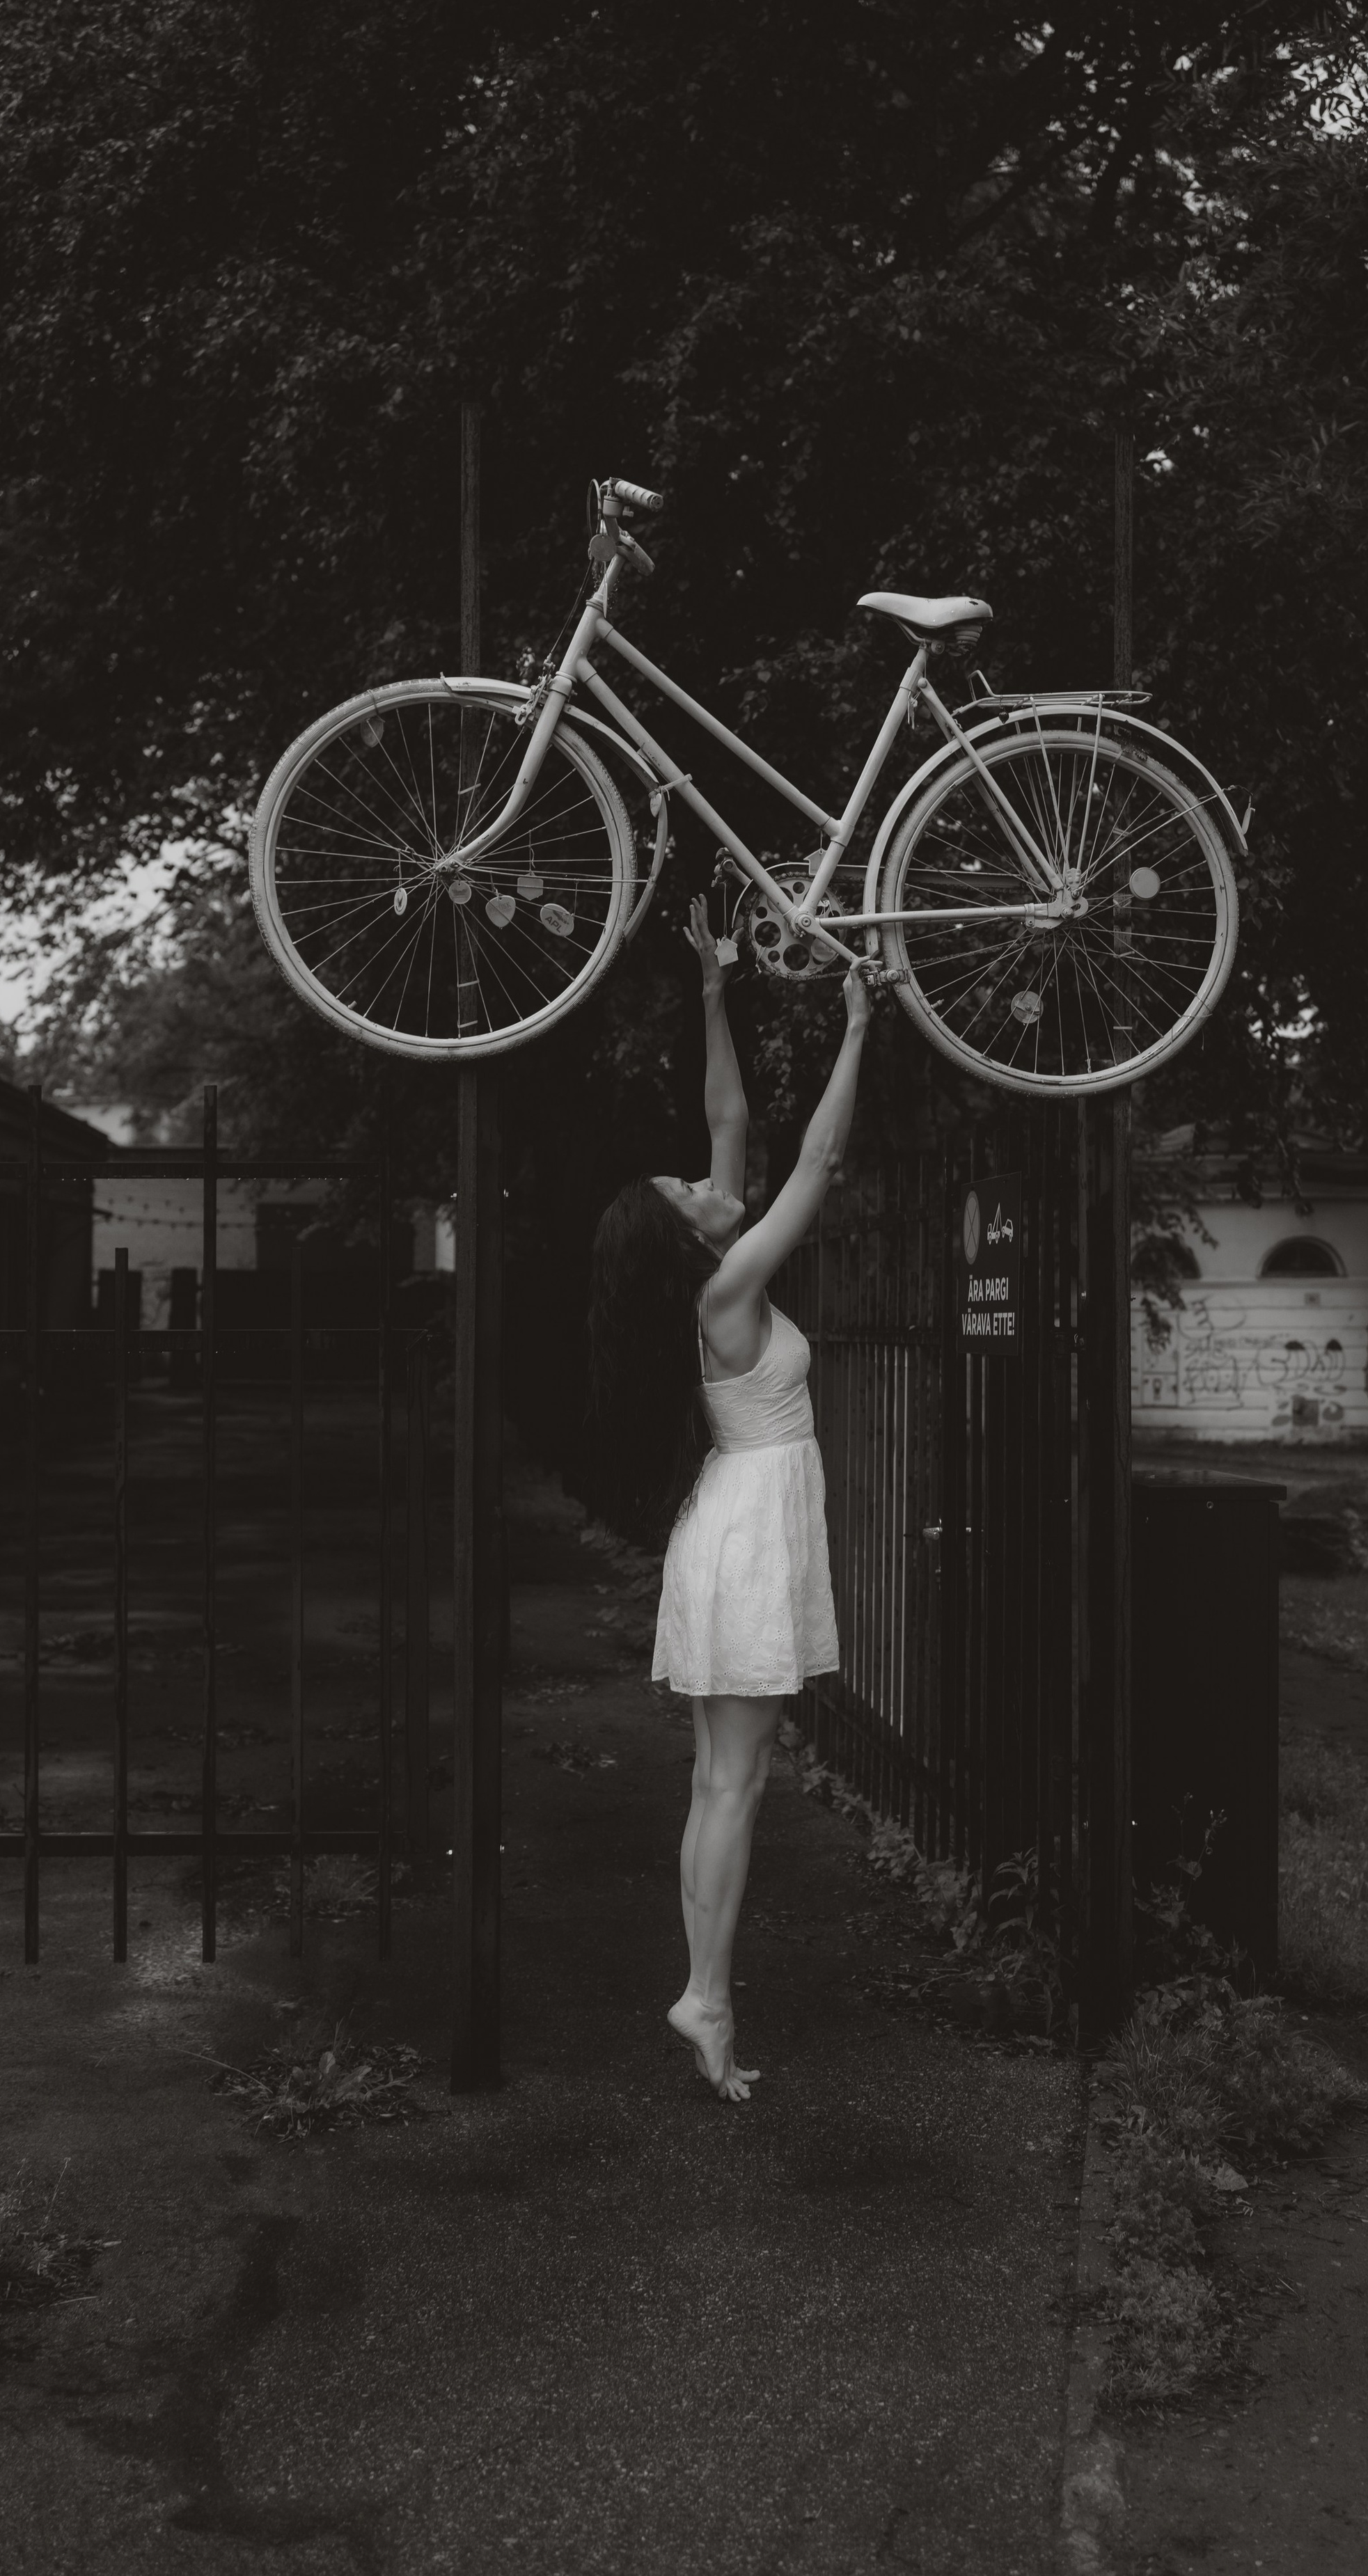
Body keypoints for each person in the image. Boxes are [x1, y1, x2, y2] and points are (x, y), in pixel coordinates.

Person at [585, 897, 871, 2100]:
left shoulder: (708, 1281)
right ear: (687, 1237)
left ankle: (701, 1991)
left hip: (730, 1525)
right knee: (736, 1785)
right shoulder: (729, 1293)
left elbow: (734, 1119)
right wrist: (860, 1022)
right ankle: (706, 1994)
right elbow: (819, 1160)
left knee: (719, 1782)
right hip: (749, 1534)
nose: (708, 1181)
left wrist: (712, 996)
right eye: (687, 1189)